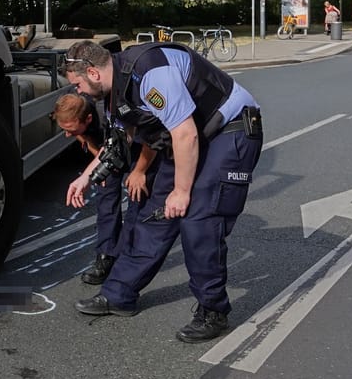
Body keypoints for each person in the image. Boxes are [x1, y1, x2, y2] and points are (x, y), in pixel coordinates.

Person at [63, 39, 263, 343]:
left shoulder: (151, 74)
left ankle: (213, 311)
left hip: (228, 129)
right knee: (152, 215)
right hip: (190, 137)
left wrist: (182, 192)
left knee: (199, 220)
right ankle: (119, 295)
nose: (77, 91)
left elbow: (185, 134)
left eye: (77, 84)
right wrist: (85, 178)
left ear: (92, 72)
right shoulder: (116, 88)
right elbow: (118, 143)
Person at [55, 93, 125, 285]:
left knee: (139, 194)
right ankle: (106, 256)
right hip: (106, 147)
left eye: (70, 129)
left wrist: (140, 172)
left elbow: (114, 146)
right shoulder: (79, 105)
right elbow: (87, 139)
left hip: (131, 143)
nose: (67, 135)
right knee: (106, 196)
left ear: (88, 119)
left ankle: (133, 256)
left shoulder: (106, 113)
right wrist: (99, 169)